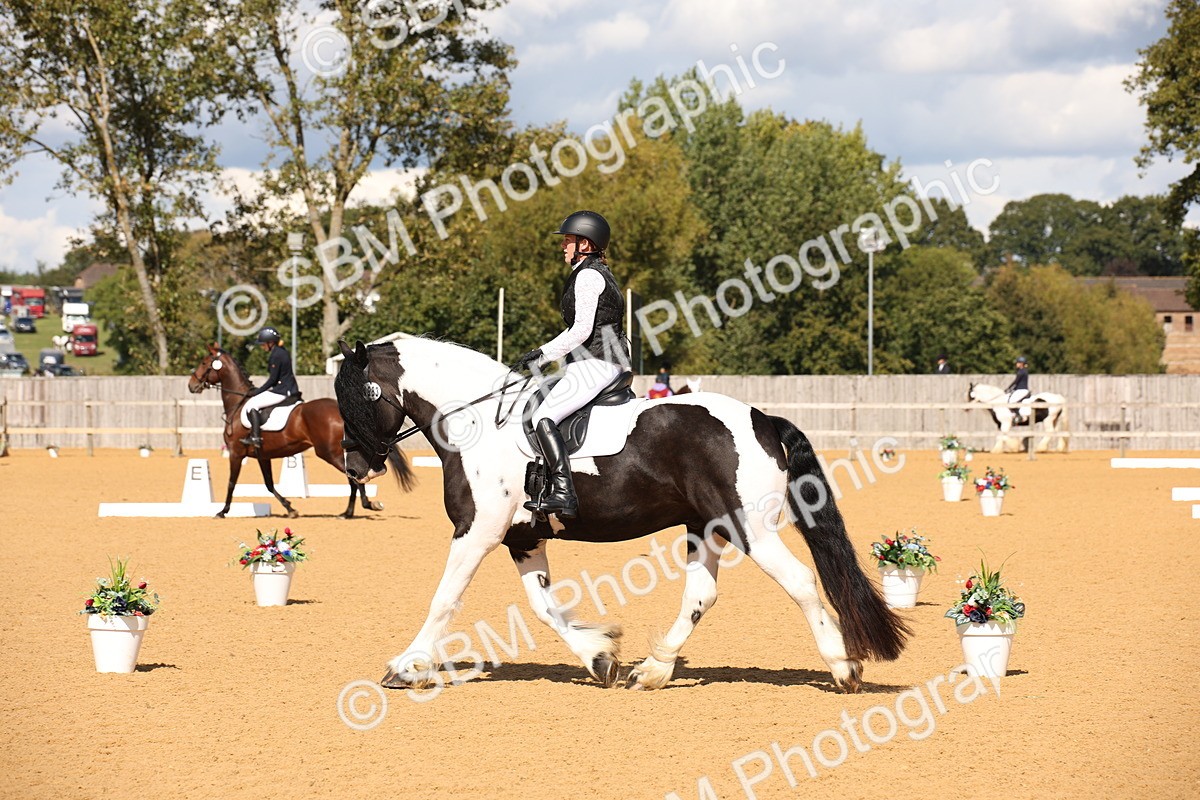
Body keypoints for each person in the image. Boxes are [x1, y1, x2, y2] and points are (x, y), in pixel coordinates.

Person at [510, 210, 628, 519]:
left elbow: (581, 330)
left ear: (585, 245)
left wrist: (541, 354)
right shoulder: (600, 272)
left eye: (568, 241)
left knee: (544, 416)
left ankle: (564, 491)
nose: (563, 247)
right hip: (604, 360)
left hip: (597, 362)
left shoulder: (588, 276)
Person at [239, 327, 300, 448]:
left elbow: (272, 380)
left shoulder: (277, 355)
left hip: (283, 390)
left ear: (270, 343)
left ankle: (255, 437)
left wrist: (257, 392)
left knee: (252, 405)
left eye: (263, 344)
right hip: (285, 388)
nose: (262, 347)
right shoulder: (281, 351)